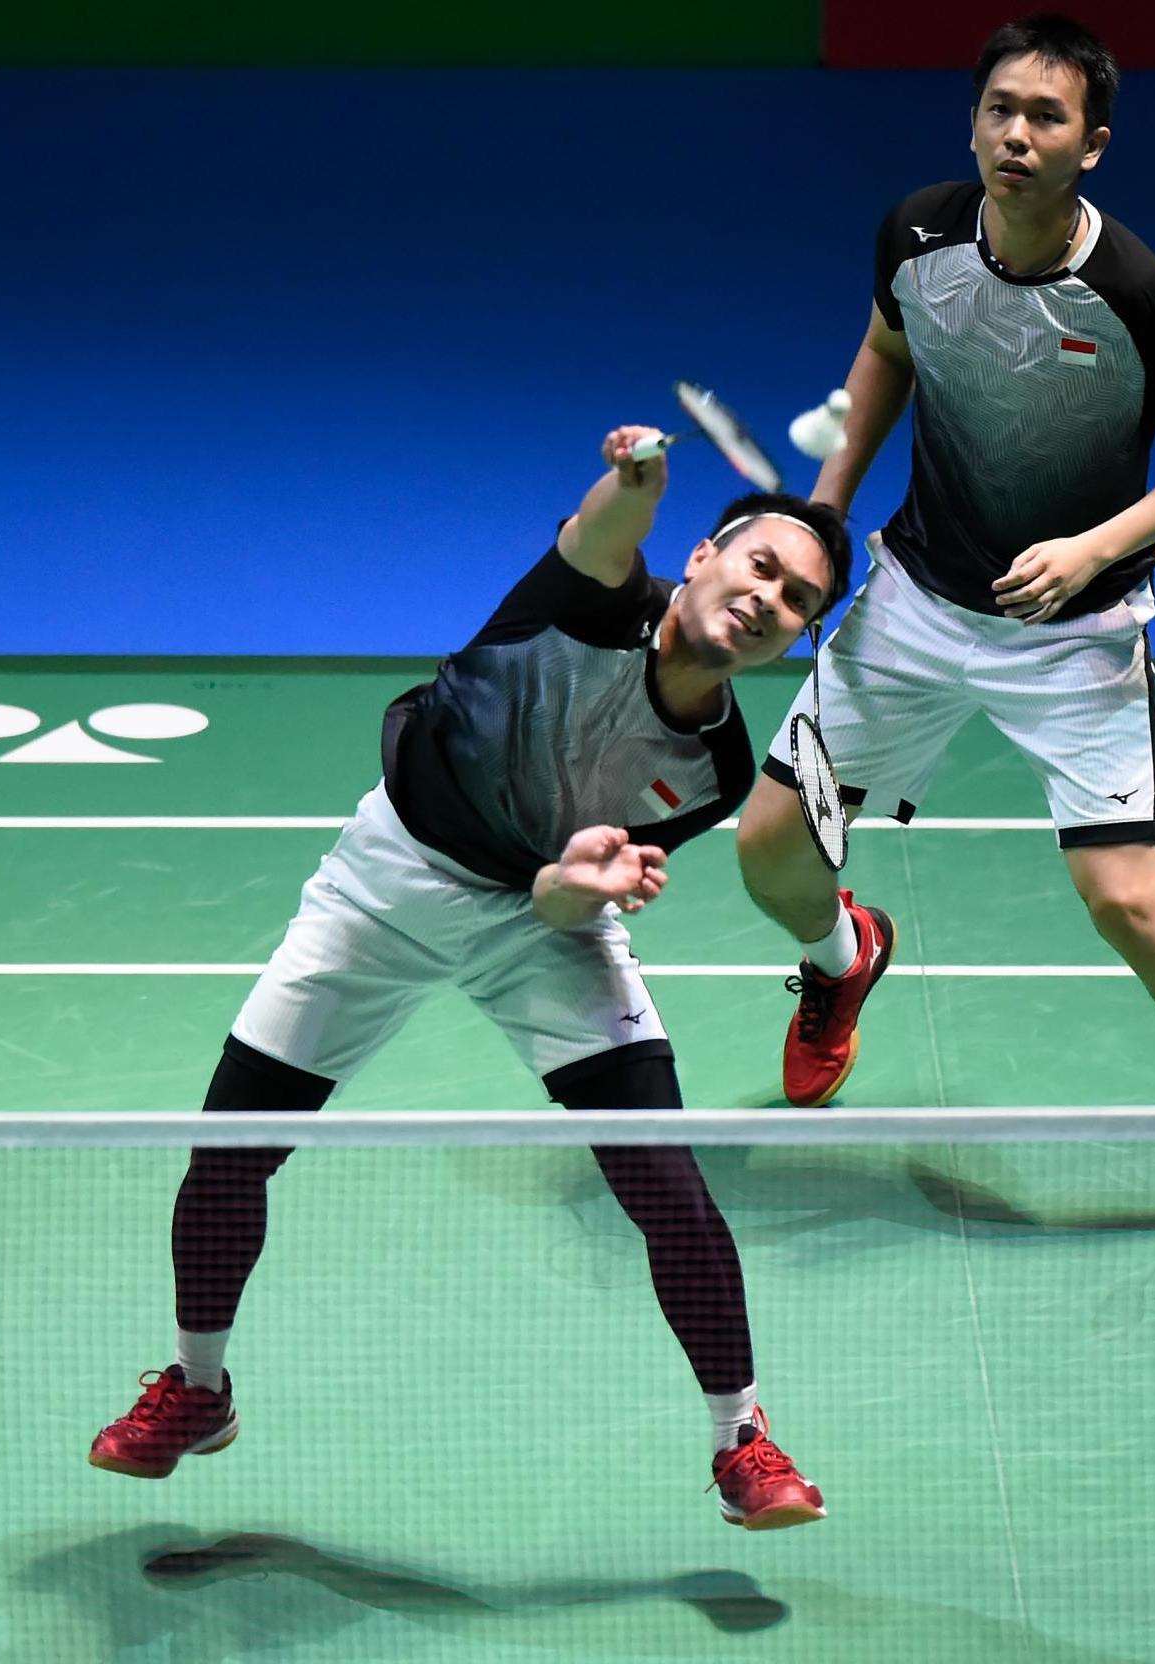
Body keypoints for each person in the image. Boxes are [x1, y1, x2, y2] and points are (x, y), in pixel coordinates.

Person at [90, 423, 852, 1527]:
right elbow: (605, 530)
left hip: (539, 923)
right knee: (230, 1147)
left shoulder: (714, 768)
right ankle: (197, 1387)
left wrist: (576, 885)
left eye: (794, 601)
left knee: (666, 1184)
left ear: (794, 640)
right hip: (388, 883)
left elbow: (549, 902)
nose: (766, 596)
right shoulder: (586, 600)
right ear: (700, 557)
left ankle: (744, 1439)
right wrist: (632, 479)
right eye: (758, 565)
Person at [734, 13, 1155, 1251]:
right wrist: (827, 511)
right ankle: (842, 955)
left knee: (1123, 898)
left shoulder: (1137, 294)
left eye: (1046, 117)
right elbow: (883, 353)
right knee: (769, 845)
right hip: (914, 595)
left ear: (1092, 145)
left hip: (1075, 632)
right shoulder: (916, 230)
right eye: (1000, 109)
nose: (1017, 134)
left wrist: (1095, 545)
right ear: (973, 121)